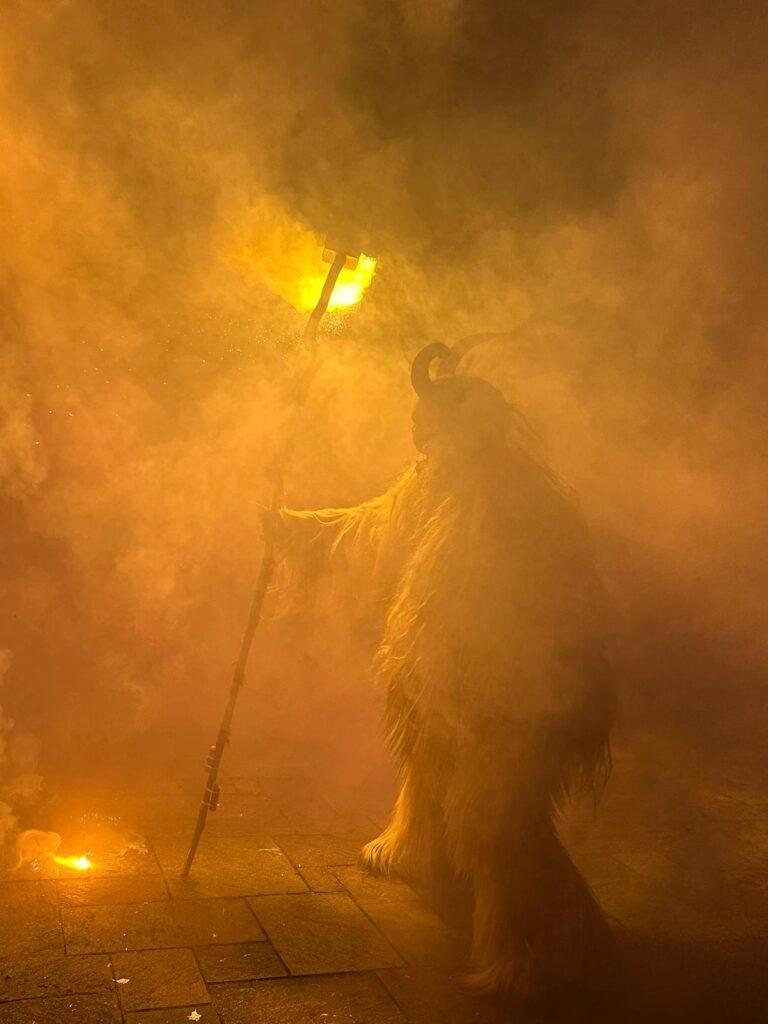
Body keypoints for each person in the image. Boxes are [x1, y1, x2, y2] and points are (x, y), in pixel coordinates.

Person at [270, 342, 616, 1003]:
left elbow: (556, 610)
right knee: (428, 762)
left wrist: (508, 688)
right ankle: (421, 849)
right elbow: (373, 524)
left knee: (499, 816)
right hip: (445, 674)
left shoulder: (516, 504)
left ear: (464, 428)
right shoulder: (436, 480)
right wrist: (295, 530)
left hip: (518, 687)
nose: (417, 435)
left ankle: (545, 955)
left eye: (428, 425)